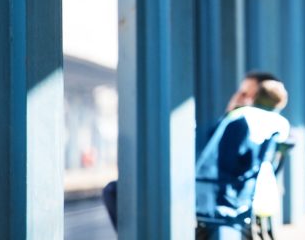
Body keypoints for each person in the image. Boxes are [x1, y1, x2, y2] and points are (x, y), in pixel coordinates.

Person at [101, 71, 290, 236]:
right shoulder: (276, 125)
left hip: (214, 197)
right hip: (247, 199)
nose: (238, 96)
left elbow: (217, 163)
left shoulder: (240, 122)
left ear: (256, 98)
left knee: (114, 191)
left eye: (245, 93)